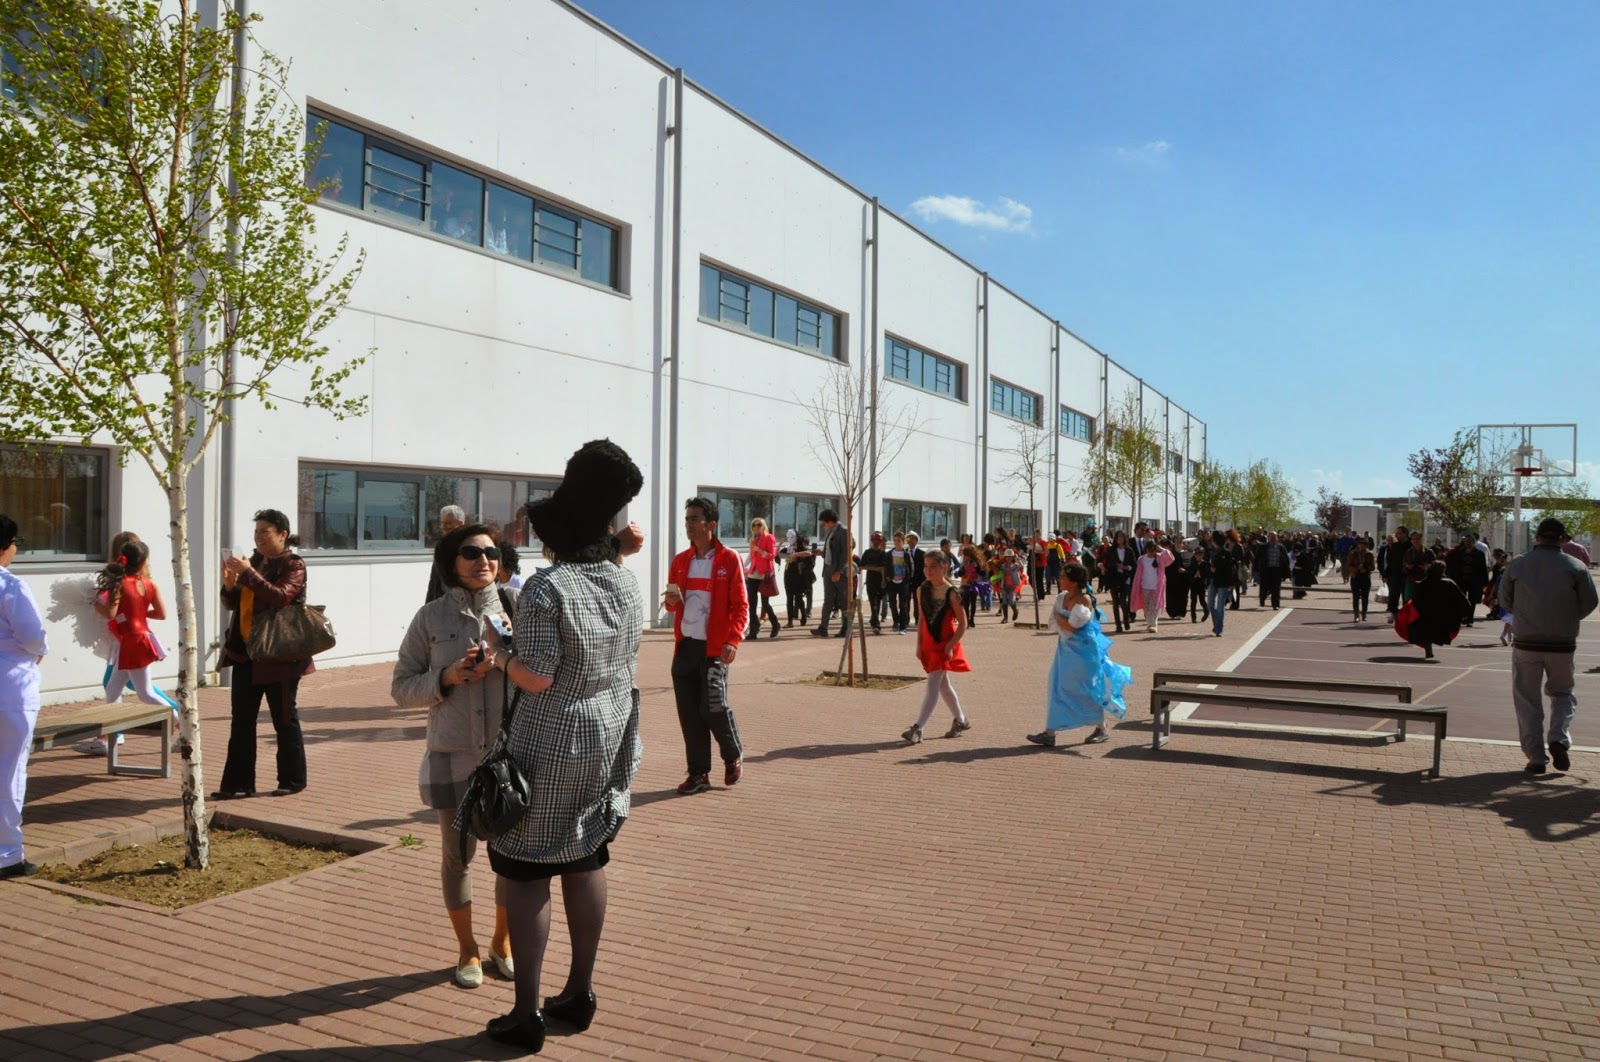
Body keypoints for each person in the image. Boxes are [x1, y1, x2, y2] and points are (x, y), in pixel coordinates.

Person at [479, 440, 646, 1051]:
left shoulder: (548, 588)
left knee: (526, 873)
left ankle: (527, 1011)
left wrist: (501, 655)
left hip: (550, 741)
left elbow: (539, 674)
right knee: (586, 856)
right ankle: (580, 990)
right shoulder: (623, 584)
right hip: (609, 731)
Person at [392, 523, 517, 990]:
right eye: (471, 552)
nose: (484, 560)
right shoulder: (429, 618)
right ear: (451, 562)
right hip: (452, 754)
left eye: (491, 552)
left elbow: (544, 673)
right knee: (457, 857)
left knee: (509, 858)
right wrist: (446, 677)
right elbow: (401, 686)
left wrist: (505, 659)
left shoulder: (518, 608)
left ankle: (501, 942)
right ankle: (466, 950)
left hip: (509, 757)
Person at [212, 509, 314, 800]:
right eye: (256, 532)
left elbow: (281, 596)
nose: (258, 537)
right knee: (241, 720)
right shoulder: (254, 562)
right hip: (245, 654)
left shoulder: (293, 564)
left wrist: (248, 573)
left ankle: (292, 780)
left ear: (282, 534)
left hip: (280, 656)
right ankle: (238, 784)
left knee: (284, 718)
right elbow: (232, 604)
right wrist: (230, 584)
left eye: (264, 532)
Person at [1500, 518, 1599, 775]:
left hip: (1526, 641)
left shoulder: (1518, 565)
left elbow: (1505, 600)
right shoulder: (1576, 566)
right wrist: (1567, 617)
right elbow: (1590, 601)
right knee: (1563, 693)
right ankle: (1558, 737)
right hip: (1563, 642)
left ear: (1538, 537)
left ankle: (1536, 758)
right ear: (1561, 538)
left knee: (1527, 699)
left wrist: (1525, 616)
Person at [664, 497, 748, 795]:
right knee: (689, 715)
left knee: (712, 708)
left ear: (711, 524)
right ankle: (698, 774)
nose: (688, 524)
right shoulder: (680, 561)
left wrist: (733, 640)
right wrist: (671, 603)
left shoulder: (728, 559)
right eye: (686, 518)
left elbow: (741, 606)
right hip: (685, 648)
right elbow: (673, 605)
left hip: (714, 649)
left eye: (694, 519)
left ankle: (732, 753)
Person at [1028, 562, 1132, 748]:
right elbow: (1052, 623)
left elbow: (1072, 626)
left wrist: (1061, 619)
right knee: (1057, 686)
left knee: (1086, 689)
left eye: (1063, 577)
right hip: (1064, 649)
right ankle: (1050, 732)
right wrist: (1062, 620)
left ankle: (1101, 728)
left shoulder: (1085, 600)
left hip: (1084, 653)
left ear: (1074, 581)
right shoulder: (1061, 597)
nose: (1059, 579)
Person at [0, 515, 47, 879]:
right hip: (10, 689)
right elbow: (33, 636)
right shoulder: (10, 587)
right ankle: (7, 855)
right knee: (10, 772)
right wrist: (38, 649)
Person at [900, 551, 970, 744]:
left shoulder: (952, 593)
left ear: (944, 568)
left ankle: (918, 728)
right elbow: (921, 619)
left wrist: (950, 646)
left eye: (933, 566)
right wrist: (918, 645)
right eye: (926, 566)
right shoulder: (922, 589)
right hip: (928, 643)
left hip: (945, 644)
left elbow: (963, 624)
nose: (928, 570)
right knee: (943, 685)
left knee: (932, 684)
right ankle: (961, 720)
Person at [96, 540, 174, 710]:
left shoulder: (118, 583)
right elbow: (161, 614)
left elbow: (110, 613)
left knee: (145, 693)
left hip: (132, 641)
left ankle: (178, 721)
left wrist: (93, 604)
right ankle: (113, 736)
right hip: (140, 638)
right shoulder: (150, 583)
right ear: (144, 562)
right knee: (112, 692)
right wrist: (138, 613)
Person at [1398, 552, 1469, 661]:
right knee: (1436, 631)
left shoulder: (1423, 583)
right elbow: (1462, 600)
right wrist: (1463, 613)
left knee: (1426, 632)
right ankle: (1430, 649)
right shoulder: (1449, 583)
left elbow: (1415, 599)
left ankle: (1428, 650)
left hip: (1425, 614)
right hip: (1443, 615)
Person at [811, 509, 851, 638]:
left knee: (843, 601)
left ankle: (845, 628)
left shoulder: (843, 531)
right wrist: (821, 553)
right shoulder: (831, 532)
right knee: (828, 600)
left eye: (824, 523)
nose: (823, 526)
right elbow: (832, 552)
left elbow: (845, 554)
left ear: (830, 521)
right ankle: (823, 627)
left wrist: (839, 571)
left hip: (838, 571)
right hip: (827, 569)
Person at [744, 517, 780, 640]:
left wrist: (760, 550)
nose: (756, 527)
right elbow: (751, 556)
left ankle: (775, 624)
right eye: (754, 525)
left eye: (759, 525)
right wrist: (743, 567)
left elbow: (772, 556)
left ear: (763, 526)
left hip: (765, 574)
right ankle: (754, 630)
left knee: (765, 604)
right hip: (753, 573)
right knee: (751, 604)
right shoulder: (753, 539)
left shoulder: (769, 537)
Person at [425, 505, 468, 603]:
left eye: (448, 523)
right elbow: (434, 583)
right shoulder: (441, 547)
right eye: (442, 523)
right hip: (442, 607)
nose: (443, 527)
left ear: (460, 523)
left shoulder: (471, 547)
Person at [1129, 539, 1174, 633]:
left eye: (1153, 550)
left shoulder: (1160, 557)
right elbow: (1138, 573)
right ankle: (1149, 623)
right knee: (1146, 607)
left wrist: (1160, 548)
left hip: (1156, 586)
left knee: (1154, 606)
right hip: (1144, 586)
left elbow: (1171, 558)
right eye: (1149, 550)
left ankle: (1153, 624)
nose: (1151, 552)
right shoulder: (1141, 559)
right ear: (1146, 549)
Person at [1101, 531, 1136, 633]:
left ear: (1124, 538)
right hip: (1113, 578)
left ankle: (1126, 619)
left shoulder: (1129, 550)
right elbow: (1101, 559)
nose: (1120, 539)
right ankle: (1118, 625)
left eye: (1121, 537)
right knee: (1115, 602)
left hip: (1125, 578)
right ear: (1115, 539)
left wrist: (1127, 567)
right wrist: (1102, 566)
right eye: (1118, 537)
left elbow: (1134, 565)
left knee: (1123, 601)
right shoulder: (1111, 550)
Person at [858, 531, 889, 635]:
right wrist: (875, 568)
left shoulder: (883, 554)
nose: (876, 542)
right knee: (873, 602)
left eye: (878, 540)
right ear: (872, 541)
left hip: (879, 581)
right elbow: (861, 566)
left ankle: (874, 620)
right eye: (874, 540)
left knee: (878, 602)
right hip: (870, 580)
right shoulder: (867, 552)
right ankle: (876, 624)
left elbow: (883, 568)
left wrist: (883, 580)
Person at [781, 531, 815, 627]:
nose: (789, 539)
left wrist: (796, 554)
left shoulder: (800, 547)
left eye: (791, 537)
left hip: (798, 574)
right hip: (788, 574)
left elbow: (809, 553)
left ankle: (803, 615)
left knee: (799, 598)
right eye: (788, 537)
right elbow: (777, 554)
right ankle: (790, 621)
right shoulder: (788, 548)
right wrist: (780, 544)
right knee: (789, 598)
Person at [885, 531, 914, 634]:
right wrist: (888, 578)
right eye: (895, 540)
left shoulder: (906, 554)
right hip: (892, 582)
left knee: (903, 605)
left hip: (903, 583)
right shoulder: (889, 554)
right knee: (892, 604)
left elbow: (911, 568)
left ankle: (903, 626)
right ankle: (895, 621)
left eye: (899, 540)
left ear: (903, 542)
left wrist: (907, 579)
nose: (897, 542)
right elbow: (887, 567)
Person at [1254, 532, 1290, 610]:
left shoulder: (1281, 547)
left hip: (1277, 570)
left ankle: (1275, 604)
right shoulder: (1263, 547)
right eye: (1271, 537)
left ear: (1277, 537)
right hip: (1266, 570)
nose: (1273, 538)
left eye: (1274, 537)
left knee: (1276, 588)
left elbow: (1286, 560)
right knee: (1264, 587)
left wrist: (1286, 572)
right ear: (1268, 538)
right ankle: (1262, 598)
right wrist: (1255, 569)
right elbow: (1257, 558)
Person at [1348, 537, 1377, 622]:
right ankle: (1356, 615)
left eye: (1364, 544)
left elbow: (1373, 567)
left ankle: (1364, 614)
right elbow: (1349, 566)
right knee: (1355, 597)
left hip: (1365, 577)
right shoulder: (1352, 553)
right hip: (1355, 576)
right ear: (1358, 545)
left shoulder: (1369, 554)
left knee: (1365, 597)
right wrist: (1357, 568)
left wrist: (1366, 568)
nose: (1362, 546)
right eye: (1360, 544)